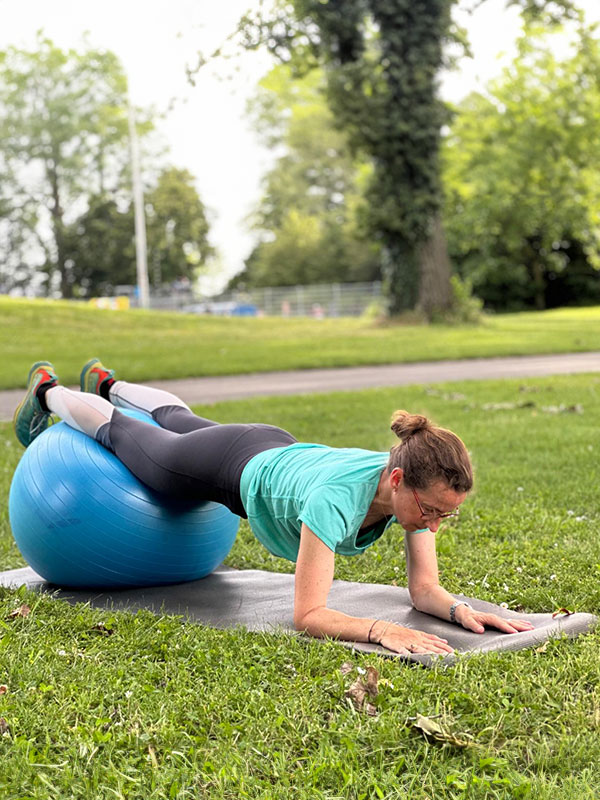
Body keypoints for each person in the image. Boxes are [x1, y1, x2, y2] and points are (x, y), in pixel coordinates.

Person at [13, 359, 534, 655]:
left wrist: (462, 610)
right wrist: (381, 630)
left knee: (180, 420)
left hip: (272, 445)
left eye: (447, 513)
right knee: (132, 437)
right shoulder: (337, 502)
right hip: (228, 467)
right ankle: (49, 393)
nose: (436, 523)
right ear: (397, 481)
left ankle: (108, 380)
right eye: (433, 512)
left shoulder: (412, 480)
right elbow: (308, 615)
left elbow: (423, 591)